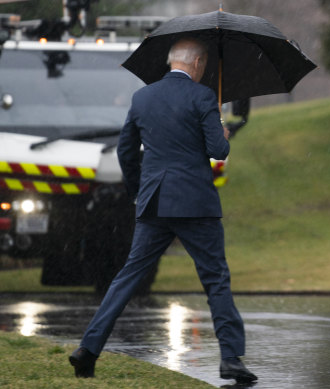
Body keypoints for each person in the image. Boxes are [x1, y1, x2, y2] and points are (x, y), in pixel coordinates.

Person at [69, 37, 257, 384]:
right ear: (198, 63)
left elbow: (126, 151)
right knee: (215, 279)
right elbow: (217, 150)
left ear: (172, 62)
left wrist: (140, 191)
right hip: (196, 204)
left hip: (154, 201)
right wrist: (222, 130)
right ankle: (231, 359)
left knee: (127, 277)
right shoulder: (203, 97)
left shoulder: (143, 97)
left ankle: (88, 349)